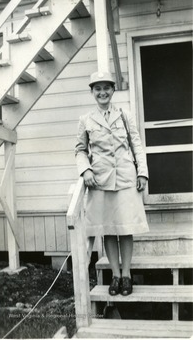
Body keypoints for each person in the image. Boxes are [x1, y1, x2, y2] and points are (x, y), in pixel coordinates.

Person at [75, 71, 149, 296]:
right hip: (100, 180)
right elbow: (79, 150)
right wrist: (85, 169)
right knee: (108, 229)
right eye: (97, 88)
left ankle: (127, 275)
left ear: (113, 90)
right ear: (92, 92)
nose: (102, 92)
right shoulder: (86, 120)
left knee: (126, 228)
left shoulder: (124, 115)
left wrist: (142, 173)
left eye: (106, 87)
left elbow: (136, 144)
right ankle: (115, 275)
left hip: (126, 177)